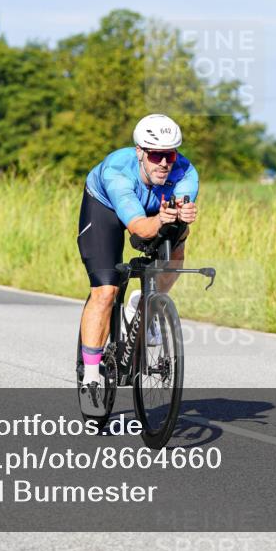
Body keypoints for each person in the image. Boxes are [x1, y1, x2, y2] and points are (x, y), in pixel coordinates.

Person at [77, 114, 199, 407]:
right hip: (105, 206)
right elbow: (139, 230)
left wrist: (180, 219)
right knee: (105, 290)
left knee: (178, 240)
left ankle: (144, 303)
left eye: (170, 154)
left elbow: (172, 223)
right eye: (156, 155)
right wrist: (159, 220)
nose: (164, 163)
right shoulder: (118, 173)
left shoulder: (185, 173)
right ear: (140, 152)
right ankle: (91, 375)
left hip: (153, 212)